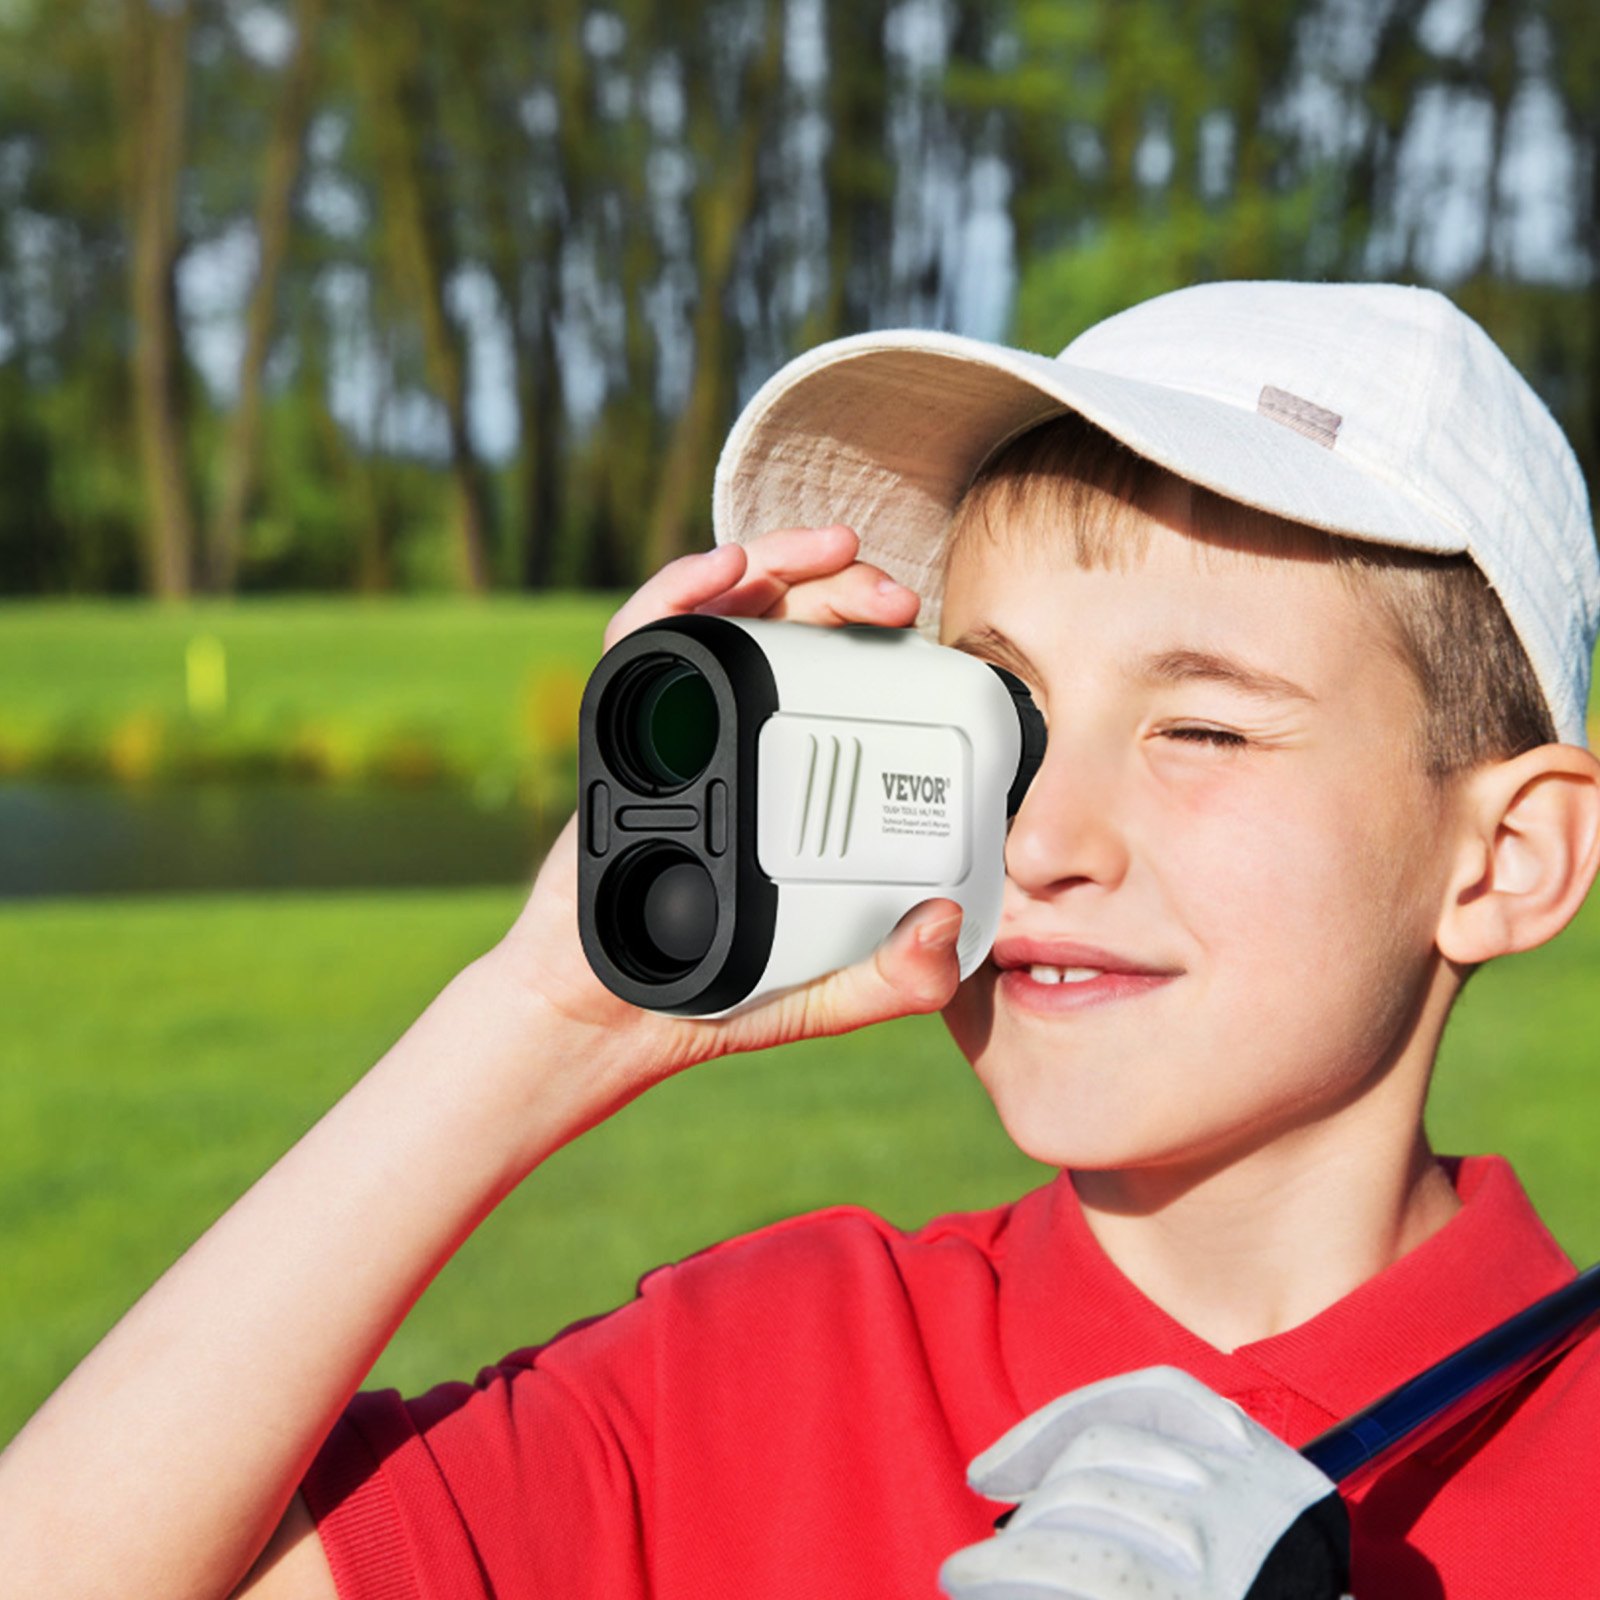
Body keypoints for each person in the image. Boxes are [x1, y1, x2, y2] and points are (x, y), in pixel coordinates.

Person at [3, 280, 1598, 1600]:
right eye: (1007, 713)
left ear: (1508, 856)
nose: (1039, 837)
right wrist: (554, 1016)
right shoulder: (762, 1368)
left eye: (1204, 730)